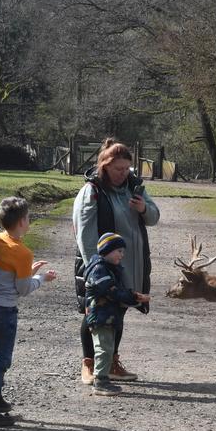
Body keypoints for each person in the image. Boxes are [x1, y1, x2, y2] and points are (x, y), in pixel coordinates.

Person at [72, 138, 160, 385]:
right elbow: (85, 235)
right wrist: (94, 271)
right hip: (100, 267)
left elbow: (154, 218)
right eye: (118, 169)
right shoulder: (92, 191)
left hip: (129, 264)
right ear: (105, 166)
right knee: (95, 311)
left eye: (126, 169)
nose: (123, 174)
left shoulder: (136, 188)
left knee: (119, 310)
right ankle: (89, 364)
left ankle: (111, 362)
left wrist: (144, 208)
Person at [0, 197, 57, 427]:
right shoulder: (22, 252)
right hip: (3, 309)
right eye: (28, 217)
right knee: (1, 356)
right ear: (22, 221)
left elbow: (5, 275)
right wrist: (41, 278)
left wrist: (29, 270)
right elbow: (22, 289)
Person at [83, 233, 150, 396]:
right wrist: (134, 297)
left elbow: (117, 290)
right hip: (99, 316)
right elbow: (112, 291)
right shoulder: (99, 270)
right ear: (106, 251)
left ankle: (105, 377)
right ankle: (100, 382)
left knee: (108, 347)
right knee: (103, 348)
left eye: (122, 251)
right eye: (118, 251)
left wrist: (134, 297)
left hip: (109, 316)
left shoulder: (110, 268)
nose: (122, 254)